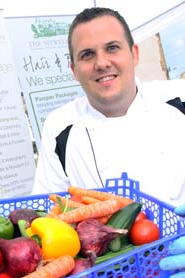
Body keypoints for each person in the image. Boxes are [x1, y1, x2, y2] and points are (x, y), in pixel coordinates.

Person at [32, 7, 185, 208]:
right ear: (74, 71)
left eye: (112, 48)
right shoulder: (59, 125)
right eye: (87, 55)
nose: (102, 63)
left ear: (134, 54)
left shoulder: (178, 100)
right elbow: (46, 209)